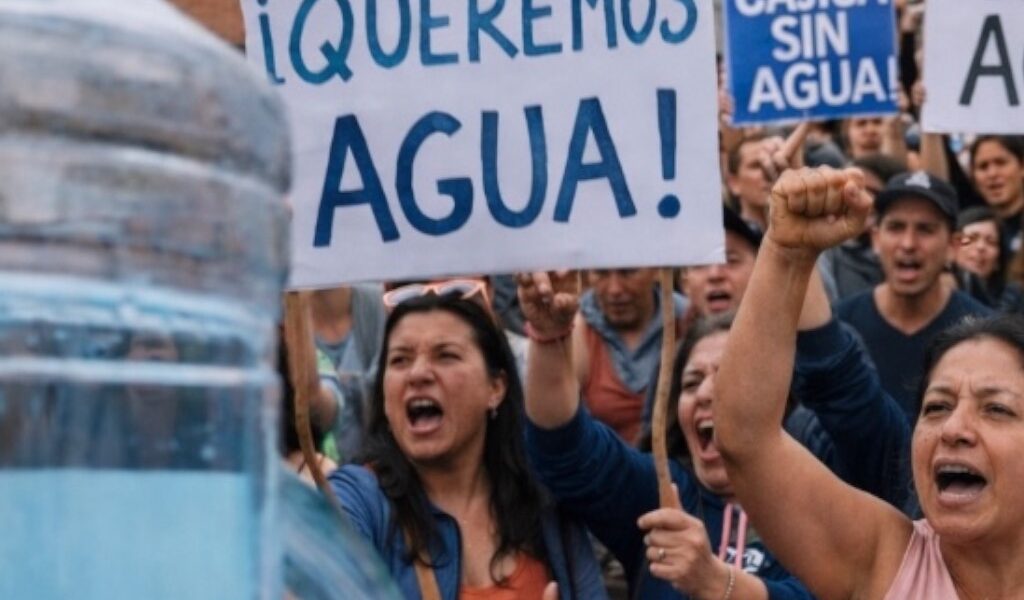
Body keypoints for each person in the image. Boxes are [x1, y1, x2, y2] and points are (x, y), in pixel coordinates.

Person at [716, 164, 1024, 600]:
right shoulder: (882, 561)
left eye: (996, 408)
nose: (953, 429)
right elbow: (746, 440)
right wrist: (786, 252)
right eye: (936, 407)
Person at [519, 261, 908, 598]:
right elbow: (563, 448)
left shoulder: (830, 501)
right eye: (691, 383)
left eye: (727, 377)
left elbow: (855, 408)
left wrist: (716, 582)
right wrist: (550, 335)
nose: (707, 393)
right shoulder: (661, 494)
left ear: (780, 399)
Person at [328, 288, 604, 600]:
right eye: (400, 360)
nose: (417, 374)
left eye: (446, 355)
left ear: (495, 388)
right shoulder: (356, 500)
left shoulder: (543, 500)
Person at [835, 170, 991, 421]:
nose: (908, 244)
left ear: (953, 246)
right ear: (876, 239)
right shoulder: (841, 326)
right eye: (896, 227)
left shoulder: (984, 335)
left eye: (925, 229)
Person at [574, 268, 686, 444]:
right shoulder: (575, 331)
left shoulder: (688, 320)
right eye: (601, 273)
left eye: (628, 273)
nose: (615, 289)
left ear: (656, 270)